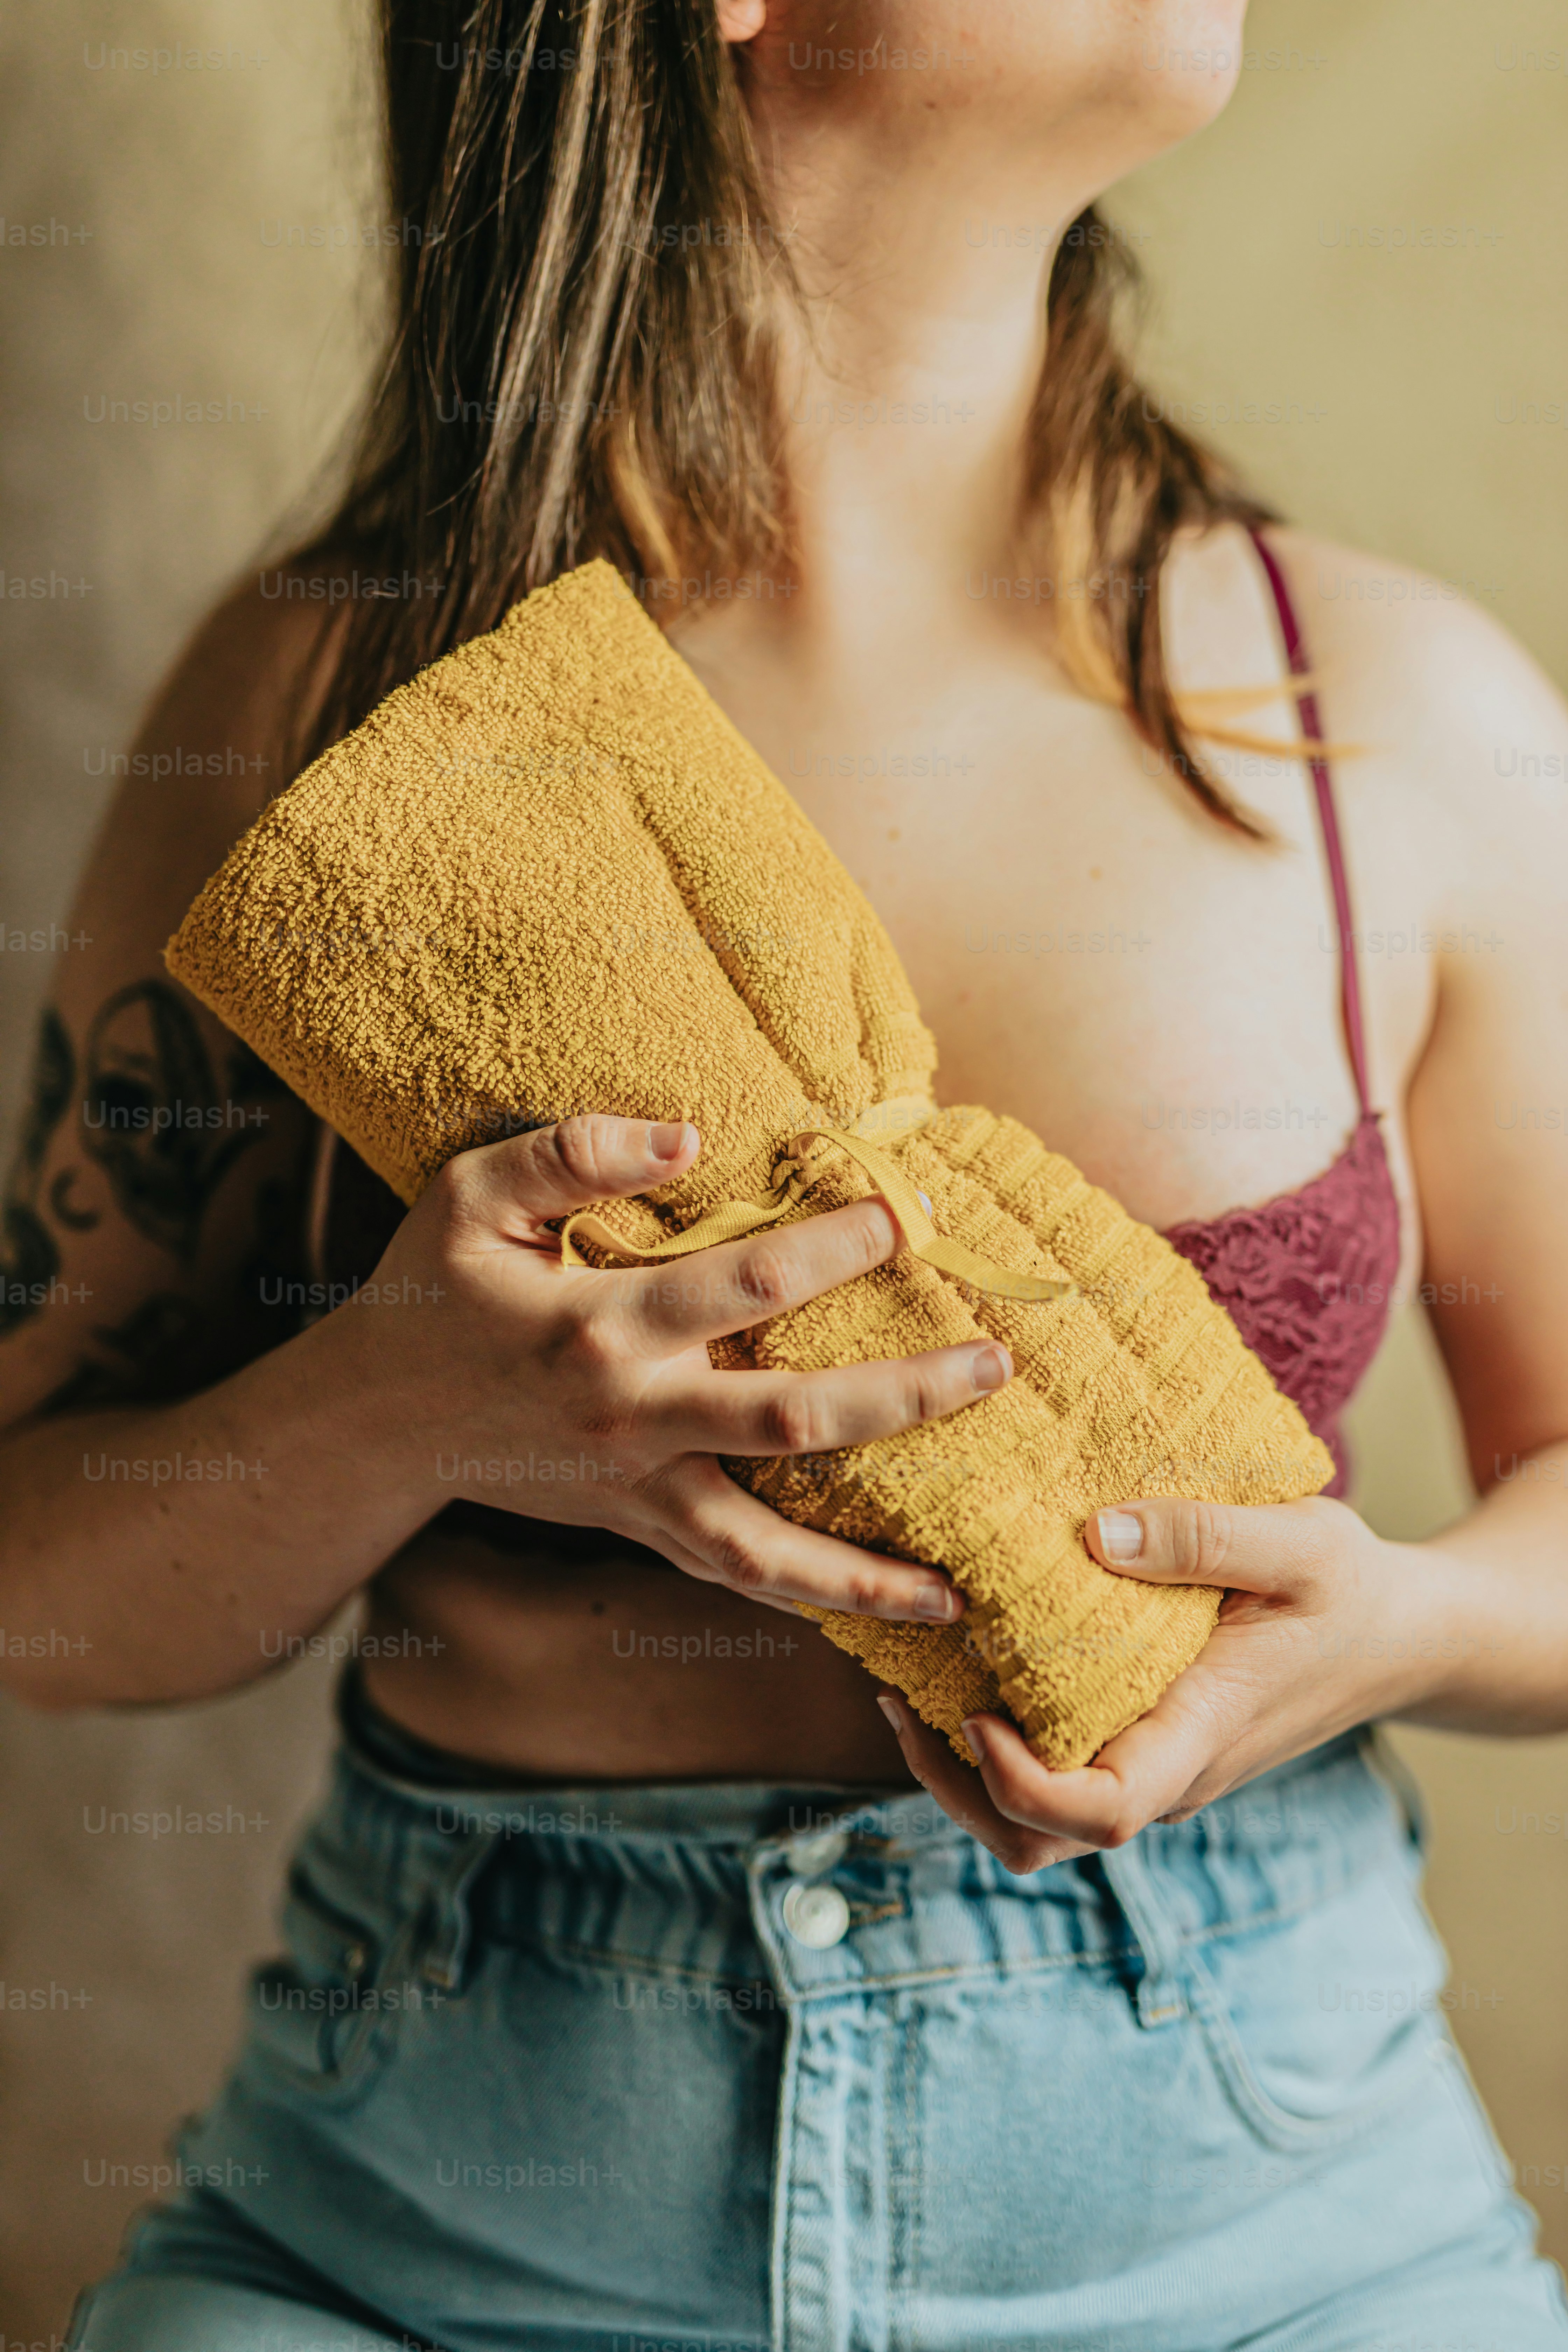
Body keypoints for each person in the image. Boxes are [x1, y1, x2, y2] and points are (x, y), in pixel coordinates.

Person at [4, 2, 1567, 2345]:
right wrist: (399, 1402)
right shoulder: (333, 728)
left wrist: (1401, 1631)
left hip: (1273, 2235)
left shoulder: (1397, 718)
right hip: (424, 2245)